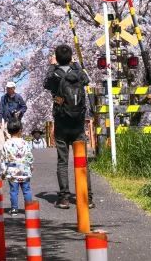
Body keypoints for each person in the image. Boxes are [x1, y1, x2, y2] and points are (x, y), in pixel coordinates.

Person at [43, 44, 94, 210]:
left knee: (62, 161)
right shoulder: (78, 74)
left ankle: (64, 198)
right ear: (71, 57)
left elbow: (46, 83)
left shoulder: (55, 75)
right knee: (82, 161)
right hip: (78, 123)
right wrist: (76, 64)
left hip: (62, 123)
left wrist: (52, 65)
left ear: (56, 58)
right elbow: (87, 80)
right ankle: (88, 197)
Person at [0, 119, 34, 216]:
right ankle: (29, 208)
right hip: (24, 171)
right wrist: (31, 166)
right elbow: (29, 156)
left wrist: (3, 172)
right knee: (26, 190)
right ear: (20, 130)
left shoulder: (6, 144)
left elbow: (3, 159)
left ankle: (14, 209)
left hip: (12, 171)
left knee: (13, 191)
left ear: (9, 131)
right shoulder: (25, 143)